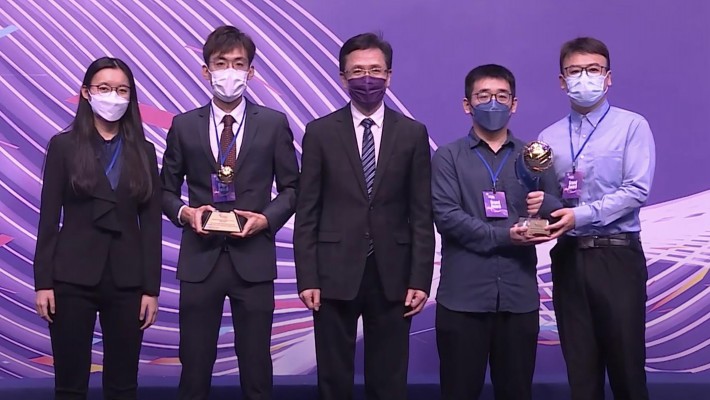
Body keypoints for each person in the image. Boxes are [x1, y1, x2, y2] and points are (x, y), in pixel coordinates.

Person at [160, 25, 299, 400]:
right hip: (199, 261)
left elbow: (294, 188)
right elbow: (164, 191)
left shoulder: (273, 124)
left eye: (239, 64)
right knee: (194, 366)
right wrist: (185, 213)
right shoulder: (183, 125)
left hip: (252, 261)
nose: (230, 72)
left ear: (251, 72)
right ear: (206, 70)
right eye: (221, 63)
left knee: (256, 368)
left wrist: (267, 219)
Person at [294, 32, 435, 400]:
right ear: (343, 78)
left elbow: (421, 212)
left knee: (389, 381)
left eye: (375, 70)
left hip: (393, 273)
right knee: (333, 380)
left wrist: (421, 277)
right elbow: (307, 211)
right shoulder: (320, 132)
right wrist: (307, 276)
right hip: (332, 272)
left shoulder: (412, 134)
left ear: (389, 76)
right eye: (357, 71)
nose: (367, 78)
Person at [33, 57, 161, 399]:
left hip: (127, 281)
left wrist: (151, 289)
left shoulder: (145, 152)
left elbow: (150, 226)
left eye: (121, 90)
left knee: (122, 385)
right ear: (86, 93)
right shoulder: (63, 147)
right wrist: (43, 283)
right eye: (104, 88)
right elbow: (48, 219)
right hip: (71, 278)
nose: (113, 96)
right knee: (71, 384)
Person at [431, 64, 560, 400]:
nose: (493, 104)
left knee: (517, 392)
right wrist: (506, 236)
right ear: (467, 104)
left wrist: (544, 206)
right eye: (483, 96)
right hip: (463, 300)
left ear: (514, 104)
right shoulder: (448, 157)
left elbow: (554, 212)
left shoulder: (533, 156)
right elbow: (447, 217)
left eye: (502, 96)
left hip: (518, 300)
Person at [538, 37, 656, 400]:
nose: (584, 78)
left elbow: (637, 190)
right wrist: (541, 210)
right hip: (569, 258)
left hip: (616, 258)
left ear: (608, 78)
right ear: (562, 80)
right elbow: (553, 200)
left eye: (593, 70)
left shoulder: (631, 126)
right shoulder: (548, 138)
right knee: (582, 373)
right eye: (575, 71)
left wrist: (580, 215)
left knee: (626, 371)